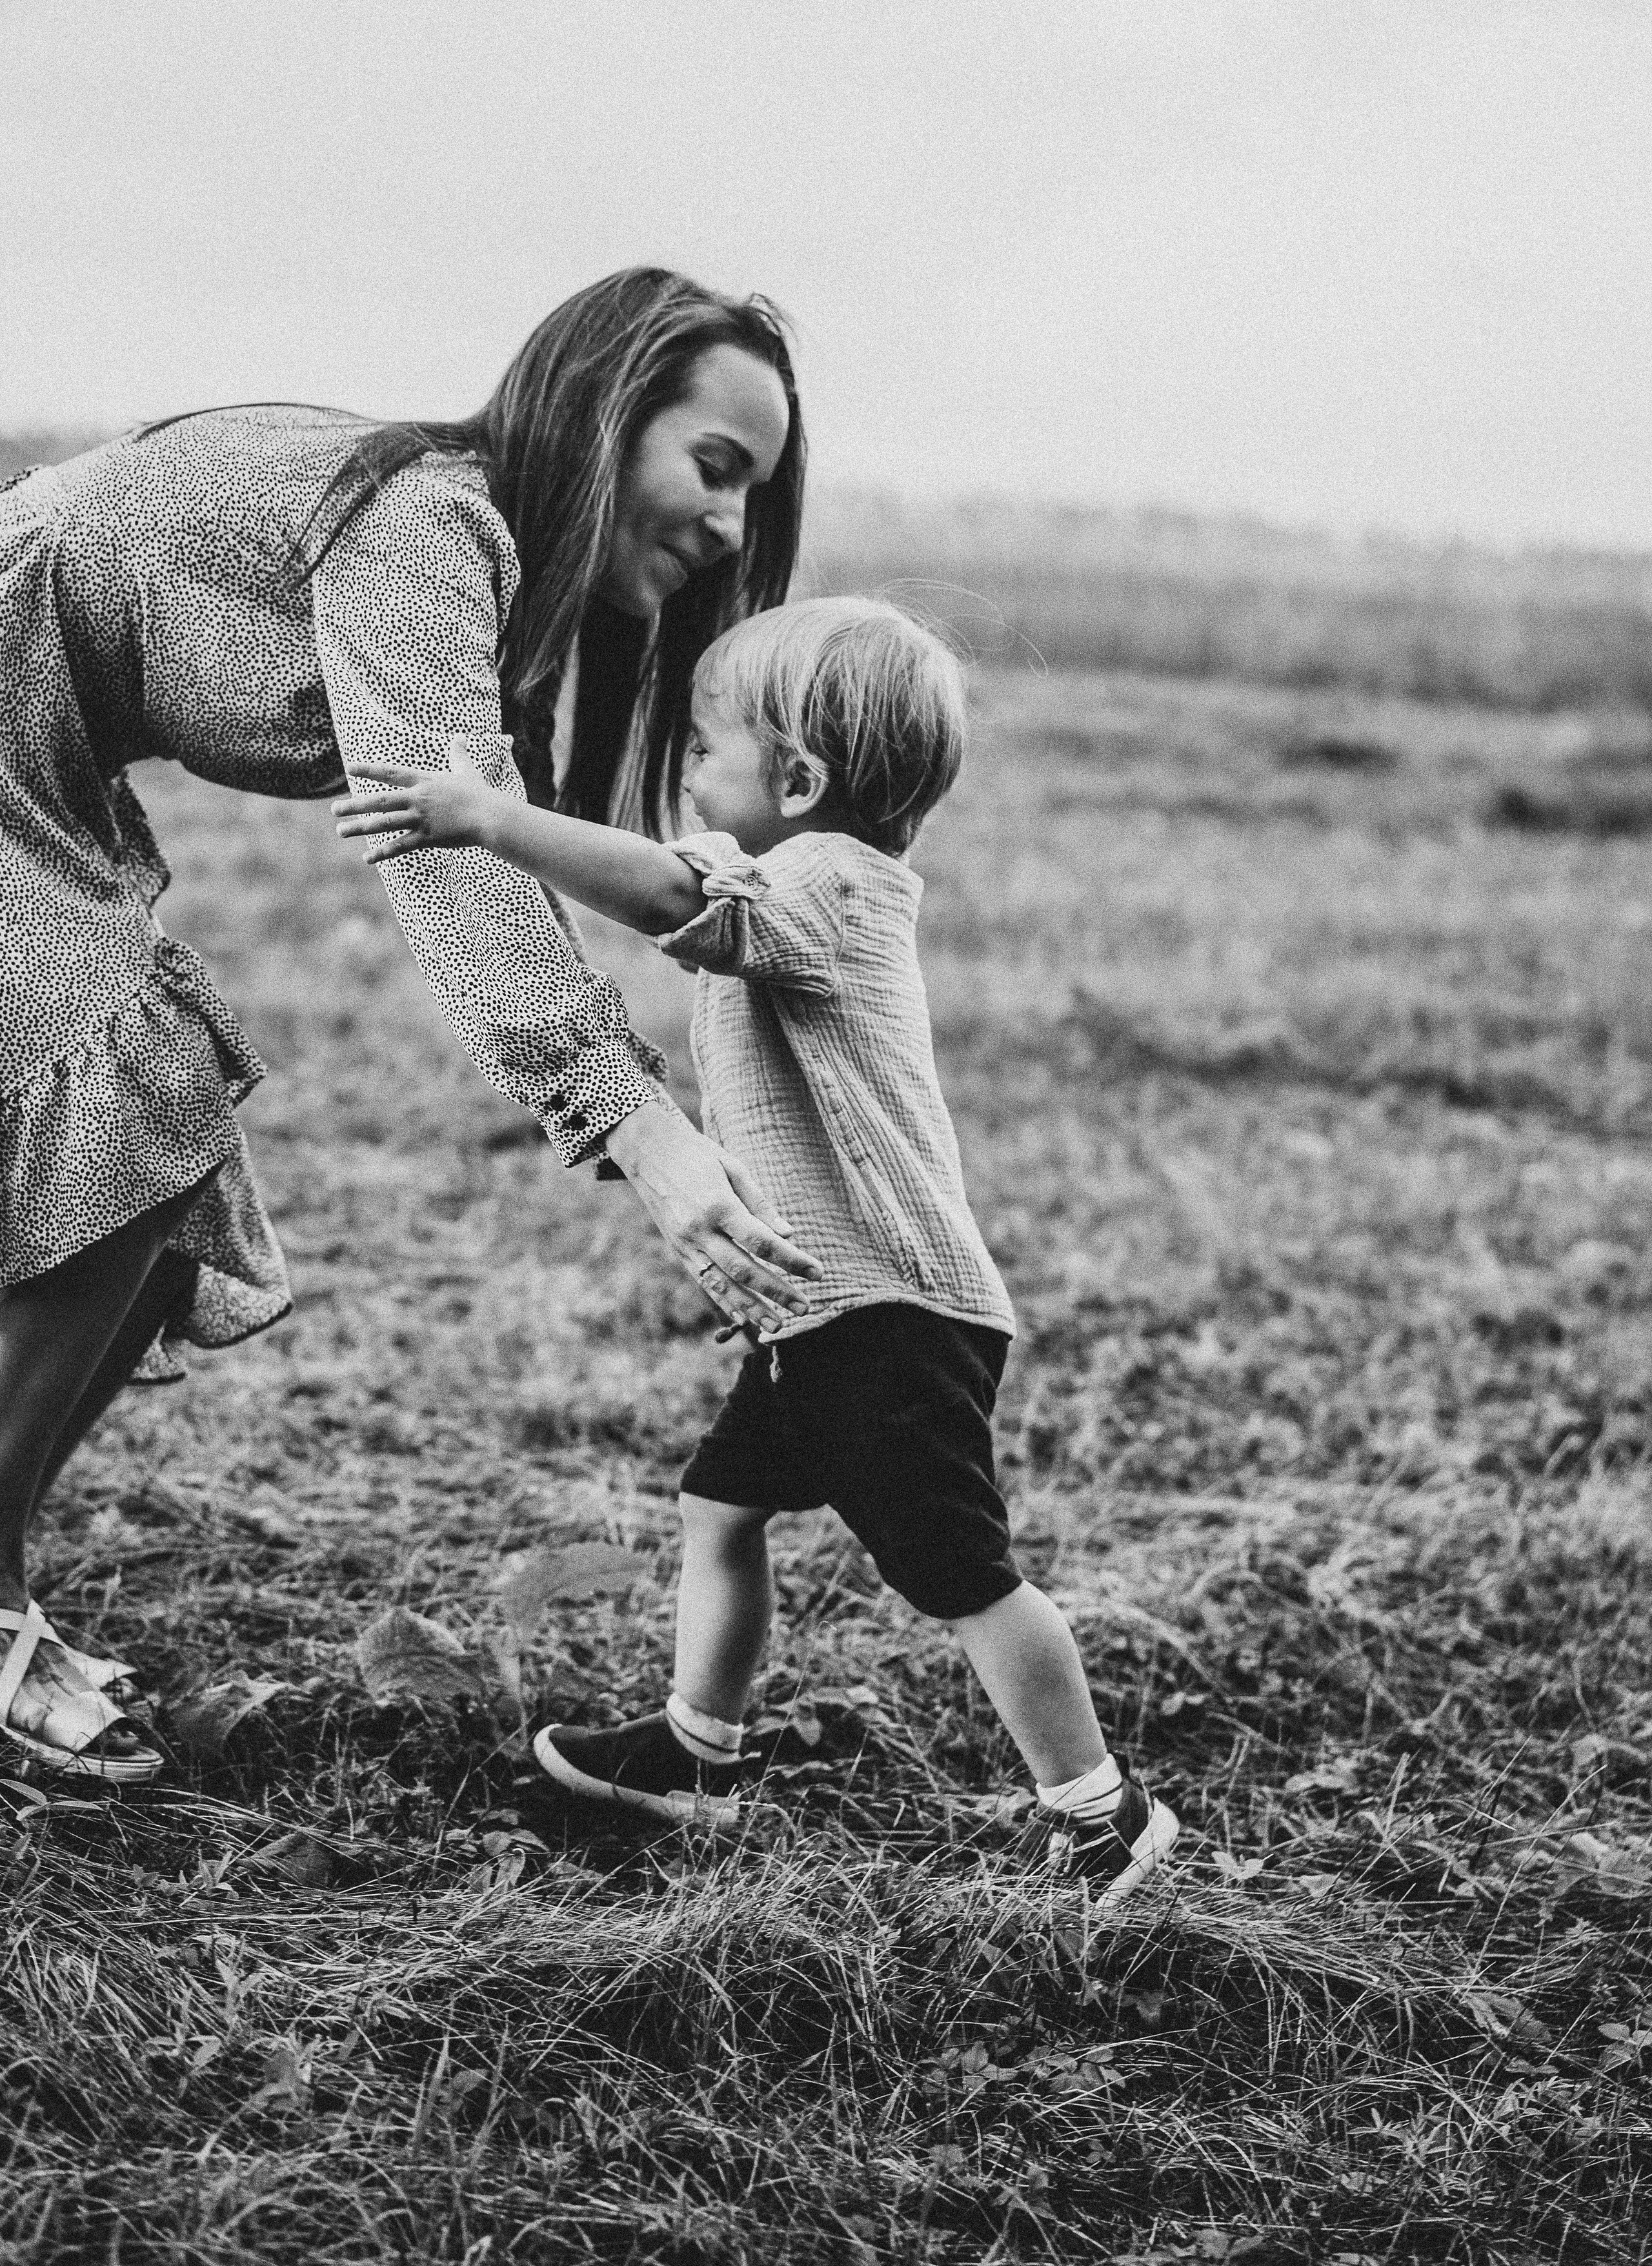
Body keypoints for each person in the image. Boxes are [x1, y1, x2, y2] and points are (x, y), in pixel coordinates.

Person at [0, 267, 825, 1785]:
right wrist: (645, 1136)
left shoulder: (483, 569)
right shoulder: (429, 527)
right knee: (137, 1078)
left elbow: (512, 840)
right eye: (714, 466)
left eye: (749, 497)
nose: (725, 526)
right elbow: (444, 861)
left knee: (160, 1144)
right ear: (604, 409)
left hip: (49, 777)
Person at [335, 597, 1179, 1899]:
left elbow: (681, 896)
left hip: (889, 1316)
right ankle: (694, 1752)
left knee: (959, 1575)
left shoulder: (827, 883)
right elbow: (694, 891)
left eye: (706, 748)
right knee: (717, 1505)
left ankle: (1098, 1810)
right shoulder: (803, 882)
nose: (685, 771)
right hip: (818, 1313)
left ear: (800, 780)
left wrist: (496, 822)